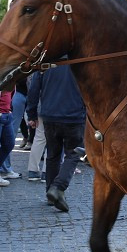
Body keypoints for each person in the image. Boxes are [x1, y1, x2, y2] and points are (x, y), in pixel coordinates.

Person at [26, 64, 86, 212]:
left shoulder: (47, 63)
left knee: (52, 155)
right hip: (74, 115)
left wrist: (32, 113)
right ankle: (57, 187)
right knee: (74, 153)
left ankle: (50, 193)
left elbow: (34, 89)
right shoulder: (80, 60)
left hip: (49, 115)